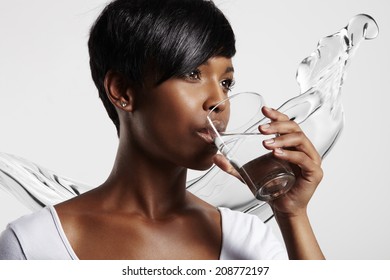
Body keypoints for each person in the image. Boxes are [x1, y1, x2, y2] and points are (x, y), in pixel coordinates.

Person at [0, 0, 324, 260]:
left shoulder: (247, 239)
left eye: (226, 83)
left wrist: (292, 214)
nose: (219, 101)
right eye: (192, 74)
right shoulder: (34, 245)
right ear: (123, 91)